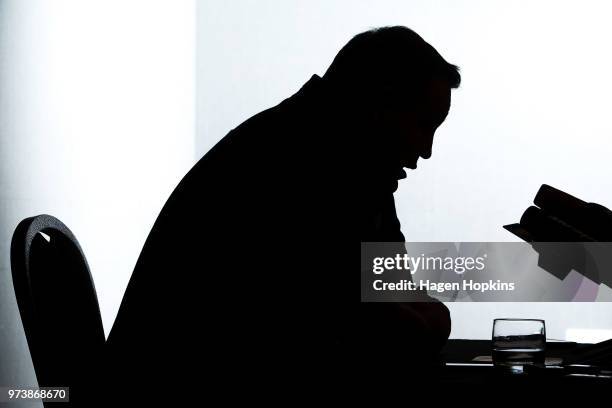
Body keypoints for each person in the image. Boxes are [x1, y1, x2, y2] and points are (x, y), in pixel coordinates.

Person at [104, 25, 461, 398]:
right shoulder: (298, 167)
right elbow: (379, 324)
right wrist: (422, 320)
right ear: (378, 104)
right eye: (423, 125)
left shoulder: (344, 161)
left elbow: (390, 293)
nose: (425, 151)